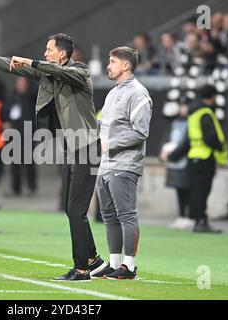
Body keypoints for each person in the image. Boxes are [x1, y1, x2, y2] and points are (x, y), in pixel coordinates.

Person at [0, 33, 107, 281]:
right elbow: (10, 66)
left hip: (87, 148)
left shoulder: (80, 71)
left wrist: (30, 62)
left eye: (49, 49)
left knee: (76, 210)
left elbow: (59, 72)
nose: (44, 53)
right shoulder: (48, 73)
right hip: (73, 149)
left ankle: (82, 270)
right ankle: (92, 259)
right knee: (72, 209)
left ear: (63, 54)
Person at [94, 47, 153, 280]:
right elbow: (105, 126)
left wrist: (112, 144)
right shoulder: (112, 93)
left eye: (112, 61)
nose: (108, 66)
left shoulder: (139, 93)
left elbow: (141, 132)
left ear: (126, 66)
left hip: (125, 163)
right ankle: (115, 262)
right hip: (106, 164)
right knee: (108, 215)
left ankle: (129, 267)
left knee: (126, 215)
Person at [167, 85, 228, 233]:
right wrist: (220, 148)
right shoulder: (206, 113)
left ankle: (197, 220)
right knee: (203, 191)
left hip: (194, 156)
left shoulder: (193, 113)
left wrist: (173, 155)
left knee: (197, 191)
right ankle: (201, 221)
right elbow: (210, 137)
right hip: (205, 156)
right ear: (211, 97)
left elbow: (189, 139)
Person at [159, 99, 193, 230]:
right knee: (179, 189)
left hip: (186, 160)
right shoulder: (174, 122)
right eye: (182, 106)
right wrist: (163, 152)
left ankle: (189, 217)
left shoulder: (191, 122)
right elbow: (167, 138)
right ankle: (181, 216)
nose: (183, 109)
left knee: (187, 190)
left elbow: (186, 143)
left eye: (185, 106)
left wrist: (172, 155)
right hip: (174, 162)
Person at [3, 76, 37, 196]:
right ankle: (16, 187)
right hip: (14, 132)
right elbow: (6, 110)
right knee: (15, 162)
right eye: (19, 82)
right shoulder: (13, 96)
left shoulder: (31, 96)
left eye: (23, 82)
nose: (20, 85)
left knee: (28, 161)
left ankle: (31, 186)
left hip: (28, 131)